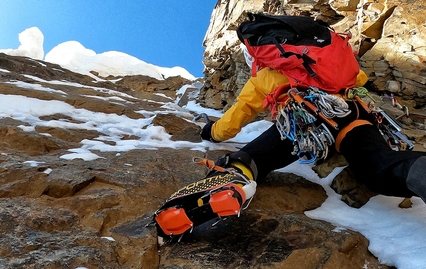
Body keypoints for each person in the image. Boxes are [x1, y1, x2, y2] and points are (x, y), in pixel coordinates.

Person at [154, 31, 426, 240]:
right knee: (380, 167)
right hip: (355, 115)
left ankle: (227, 185)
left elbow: (236, 117)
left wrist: (212, 132)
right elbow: (360, 78)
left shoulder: (265, 77)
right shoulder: (326, 63)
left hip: (306, 120)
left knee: (252, 159)